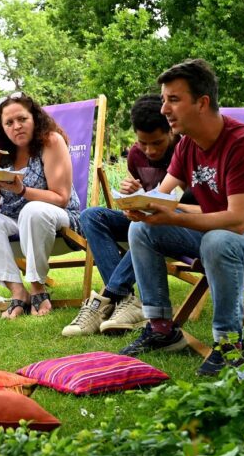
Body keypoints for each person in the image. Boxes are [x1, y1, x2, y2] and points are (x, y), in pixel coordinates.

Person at [120, 59, 244, 376]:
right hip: (226, 240)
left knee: (218, 240)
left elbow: (237, 221)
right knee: (141, 230)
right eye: (164, 100)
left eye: (173, 99)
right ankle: (161, 328)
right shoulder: (188, 145)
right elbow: (162, 196)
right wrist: (140, 205)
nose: (164, 109)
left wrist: (173, 217)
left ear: (202, 103)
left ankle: (230, 347)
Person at [63, 94, 180, 337]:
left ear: (171, 130)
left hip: (176, 224)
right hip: (145, 218)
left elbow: (180, 201)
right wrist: (133, 195)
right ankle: (126, 300)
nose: (150, 150)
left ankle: (107, 298)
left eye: (157, 143)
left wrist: (147, 203)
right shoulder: (136, 154)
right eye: (143, 143)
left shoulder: (184, 151)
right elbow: (146, 196)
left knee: (146, 225)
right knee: (91, 216)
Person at [0, 91, 83, 319]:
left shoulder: (51, 141)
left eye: (22, 119)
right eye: (9, 123)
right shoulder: (0, 151)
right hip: (17, 222)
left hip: (59, 220)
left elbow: (61, 197)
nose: (17, 126)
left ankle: (37, 288)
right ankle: (18, 291)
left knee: (32, 210)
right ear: (2, 127)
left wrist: (22, 190)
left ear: (35, 118)